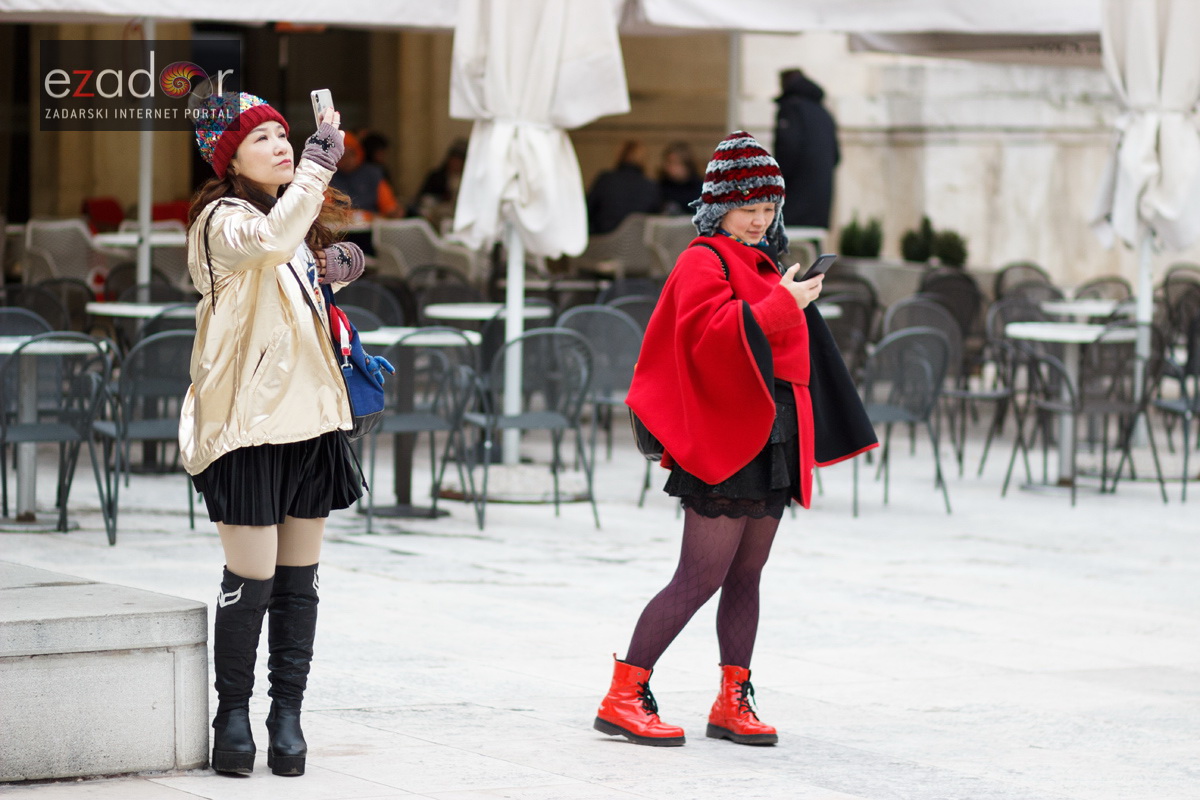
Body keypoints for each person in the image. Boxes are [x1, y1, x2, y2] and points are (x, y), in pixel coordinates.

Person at [593, 131, 876, 747]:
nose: (759, 219)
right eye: (748, 206)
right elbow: (708, 338)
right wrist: (782, 305)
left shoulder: (763, 261)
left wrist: (792, 301)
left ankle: (732, 701)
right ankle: (623, 695)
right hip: (723, 439)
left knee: (748, 575)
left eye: (768, 207)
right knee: (698, 576)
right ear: (719, 204)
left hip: (773, 436)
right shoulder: (702, 259)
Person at [185, 91, 368, 777]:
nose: (282, 146)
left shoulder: (286, 215)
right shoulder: (222, 221)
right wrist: (319, 168)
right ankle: (232, 717)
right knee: (252, 577)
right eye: (259, 139)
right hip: (246, 428)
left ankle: (286, 717)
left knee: (299, 583)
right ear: (230, 161)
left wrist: (340, 267)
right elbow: (268, 245)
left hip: (311, 425)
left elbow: (292, 275)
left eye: (284, 135)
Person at [773, 69, 840, 229]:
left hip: (794, 205)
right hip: (820, 207)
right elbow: (836, 157)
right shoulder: (824, 112)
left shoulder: (791, 108)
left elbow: (787, 151)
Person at [586, 140, 661, 235]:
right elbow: (656, 220)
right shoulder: (651, 186)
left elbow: (587, 210)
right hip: (637, 241)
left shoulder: (605, 179)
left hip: (603, 240)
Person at [329, 130, 402, 219]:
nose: (347, 160)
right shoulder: (328, 177)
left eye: (351, 154)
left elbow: (389, 206)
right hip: (340, 225)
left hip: (373, 225)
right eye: (342, 156)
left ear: (359, 152)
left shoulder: (373, 174)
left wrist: (393, 212)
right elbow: (326, 209)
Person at [656, 141, 702, 216]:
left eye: (674, 163)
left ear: (686, 165)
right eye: (667, 163)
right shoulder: (661, 186)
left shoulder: (700, 189)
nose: (668, 167)